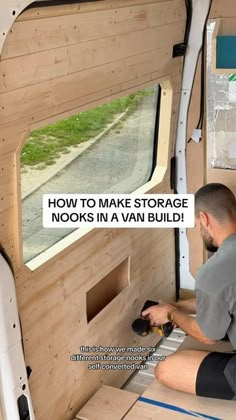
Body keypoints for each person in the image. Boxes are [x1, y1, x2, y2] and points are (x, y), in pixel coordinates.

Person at [142, 183, 236, 400]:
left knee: (166, 369)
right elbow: (225, 296)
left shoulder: (214, 270)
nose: (198, 230)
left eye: (196, 225)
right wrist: (178, 306)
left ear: (204, 219)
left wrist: (171, 315)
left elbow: (207, 336)